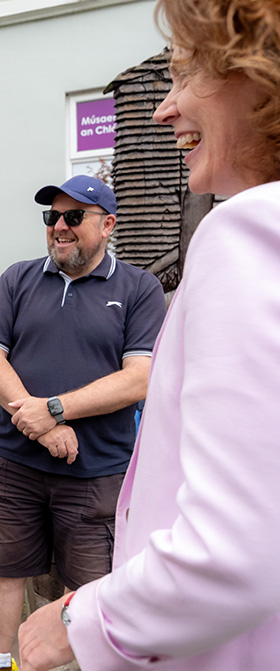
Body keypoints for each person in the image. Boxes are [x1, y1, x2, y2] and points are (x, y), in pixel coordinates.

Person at [17, 1, 280, 669]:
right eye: (53, 214)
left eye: (188, 73)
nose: (164, 108)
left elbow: (233, 550)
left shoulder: (243, 234)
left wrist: (81, 622)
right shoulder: (21, 280)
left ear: (261, 75)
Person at [0, 175, 166, 671]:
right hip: (15, 465)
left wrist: (55, 408)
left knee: (91, 592)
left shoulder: (139, 289)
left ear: (108, 225)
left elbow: (139, 378)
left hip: (96, 474)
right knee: (1, 572)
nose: (60, 226)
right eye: (52, 217)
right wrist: (44, 426)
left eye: (74, 217)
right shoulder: (17, 278)